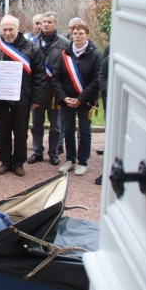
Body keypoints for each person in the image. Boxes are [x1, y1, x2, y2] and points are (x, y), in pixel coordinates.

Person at [0, 15, 46, 177]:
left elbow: (39, 76)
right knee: (3, 131)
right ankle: (5, 161)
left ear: (18, 29)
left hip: (23, 99)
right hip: (1, 99)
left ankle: (18, 163)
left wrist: (36, 99)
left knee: (21, 132)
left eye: (11, 29)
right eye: (5, 29)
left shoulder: (31, 48)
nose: (8, 33)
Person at [52, 21, 102, 176]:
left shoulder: (95, 54)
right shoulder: (65, 54)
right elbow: (56, 78)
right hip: (67, 100)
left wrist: (81, 98)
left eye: (81, 33)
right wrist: (64, 97)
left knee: (84, 130)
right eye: (75, 33)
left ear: (87, 35)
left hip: (85, 100)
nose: (78, 36)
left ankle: (82, 161)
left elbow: (96, 80)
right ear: (71, 35)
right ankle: (70, 159)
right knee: (68, 130)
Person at [27, 11, 70, 167]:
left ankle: (53, 153)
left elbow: (69, 68)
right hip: (37, 90)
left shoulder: (65, 43)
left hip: (55, 91)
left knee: (56, 125)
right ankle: (37, 152)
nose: (45, 24)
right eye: (43, 22)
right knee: (36, 124)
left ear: (55, 24)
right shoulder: (31, 42)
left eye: (49, 22)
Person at [95, 43, 110, 185]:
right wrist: (109, 92)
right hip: (111, 101)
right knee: (111, 135)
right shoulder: (109, 53)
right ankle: (106, 172)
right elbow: (102, 76)